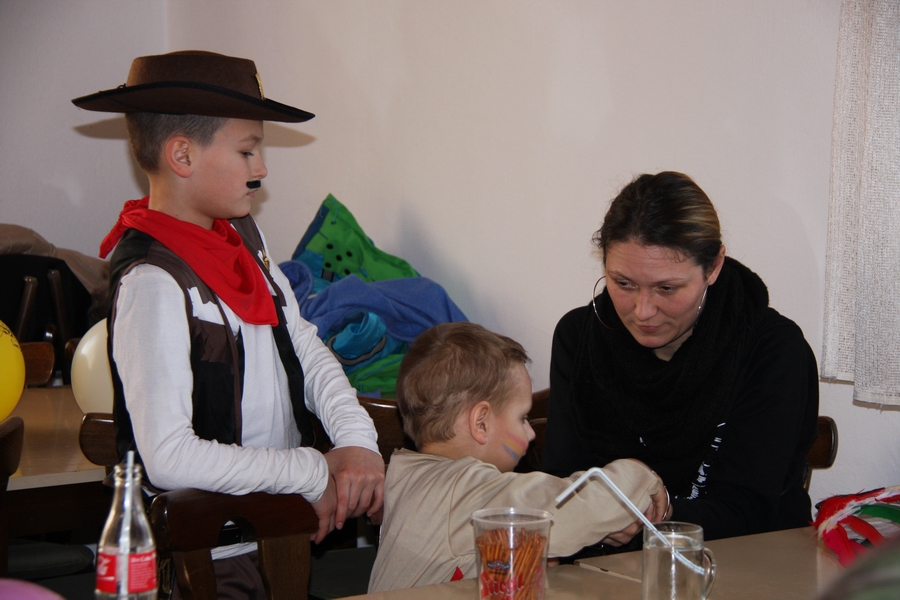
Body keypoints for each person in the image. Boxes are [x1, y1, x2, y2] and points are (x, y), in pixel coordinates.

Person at [72, 51, 385, 598]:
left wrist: (356, 441)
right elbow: (169, 457)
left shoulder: (242, 237)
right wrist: (311, 471)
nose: (261, 167)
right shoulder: (153, 282)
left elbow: (301, 342)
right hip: (209, 553)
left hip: (276, 532)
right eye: (247, 150)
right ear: (182, 155)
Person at [542, 171, 819, 555]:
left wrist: (655, 515)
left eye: (667, 288)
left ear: (714, 267)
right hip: (606, 568)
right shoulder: (579, 336)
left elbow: (749, 509)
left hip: (745, 562)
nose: (643, 310)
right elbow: (562, 484)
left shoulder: (771, 349)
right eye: (623, 283)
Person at [368, 321, 668, 592]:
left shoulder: (405, 475)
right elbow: (582, 506)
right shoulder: (466, 489)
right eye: (523, 418)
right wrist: (639, 474)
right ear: (481, 423)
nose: (531, 433)